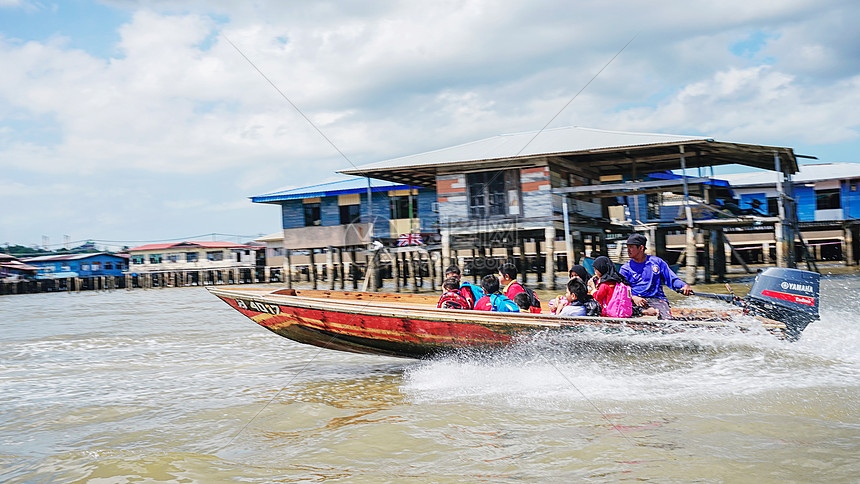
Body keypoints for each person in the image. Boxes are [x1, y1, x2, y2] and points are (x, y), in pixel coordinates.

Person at [619, 233, 692, 320]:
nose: (628, 250)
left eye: (631, 247)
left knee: (667, 320)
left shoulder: (657, 262)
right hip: (635, 300)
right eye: (627, 247)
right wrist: (633, 297)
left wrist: (683, 285)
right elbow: (621, 290)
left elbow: (671, 279)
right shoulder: (625, 268)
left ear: (641, 248)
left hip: (656, 299)